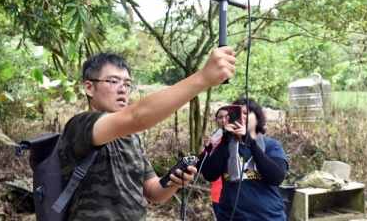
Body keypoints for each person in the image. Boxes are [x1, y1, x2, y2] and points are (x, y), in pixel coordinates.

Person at [58, 47, 236, 220]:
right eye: (113, 81)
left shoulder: (130, 137)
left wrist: (174, 182)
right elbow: (136, 117)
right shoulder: (80, 126)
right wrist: (203, 77)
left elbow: (153, 192)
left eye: (127, 84)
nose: (122, 89)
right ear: (89, 88)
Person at [201, 98, 288, 221]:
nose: (242, 116)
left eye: (246, 113)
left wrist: (251, 144)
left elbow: (276, 177)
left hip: (269, 217)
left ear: (258, 119)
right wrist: (225, 141)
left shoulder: (271, 145)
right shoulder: (224, 146)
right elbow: (209, 175)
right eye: (237, 113)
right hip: (231, 217)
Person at [200, 106, 228, 219]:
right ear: (216, 122)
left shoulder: (240, 139)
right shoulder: (213, 140)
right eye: (220, 117)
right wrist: (207, 147)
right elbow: (202, 166)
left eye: (227, 116)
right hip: (217, 194)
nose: (224, 120)